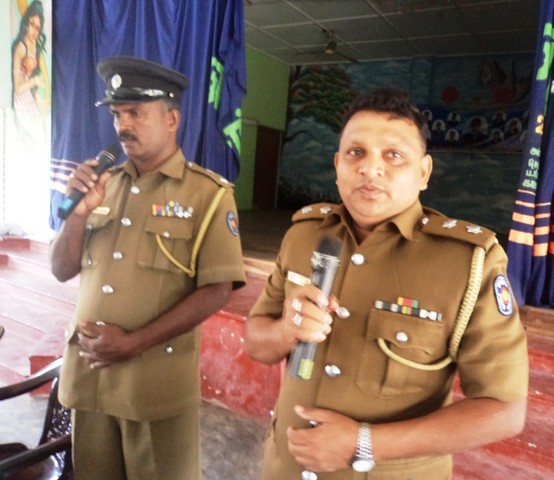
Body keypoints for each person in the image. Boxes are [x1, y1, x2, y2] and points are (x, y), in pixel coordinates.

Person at [244, 87, 528, 480]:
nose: (370, 168)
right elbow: (257, 341)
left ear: (423, 172)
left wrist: (364, 443)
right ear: (337, 164)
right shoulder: (303, 235)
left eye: (393, 155)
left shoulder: (468, 264)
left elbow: (504, 410)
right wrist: (285, 330)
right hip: (284, 467)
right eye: (355, 152)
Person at [50, 56, 245, 480]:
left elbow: (217, 290)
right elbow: (61, 269)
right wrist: (77, 215)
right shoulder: (102, 185)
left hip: (153, 386)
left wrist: (135, 342)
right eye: (118, 114)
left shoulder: (208, 194)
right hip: (90, 378)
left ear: (171, 119)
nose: (123, 125)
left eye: (136, 113)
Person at [11, 0, 49, 142]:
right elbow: (18, 89)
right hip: (21, 101)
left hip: (30, 97)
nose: (34, 31)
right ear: (27, 22)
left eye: (37, 28)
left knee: (42, 136)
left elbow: (31, 82)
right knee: (37, 135)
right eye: (32, 24)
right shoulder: (20, 49)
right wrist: (34, 81)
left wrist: (39, 100)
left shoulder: (35, 45)